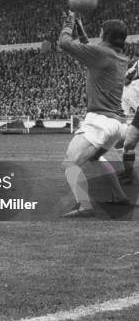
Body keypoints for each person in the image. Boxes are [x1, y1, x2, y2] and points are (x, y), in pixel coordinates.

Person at [59, 12, 130, 217]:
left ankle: (85, 206)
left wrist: (69, 22)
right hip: (116, 124)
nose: (98, 34)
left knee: (70, 164)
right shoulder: (117, 55)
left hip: (100, 121)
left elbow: (64, 43)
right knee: (96, 159)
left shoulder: (101, 55)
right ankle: (119, 196)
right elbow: (90, 46)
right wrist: (80, 27)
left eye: (101, 32)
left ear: (105, 35)